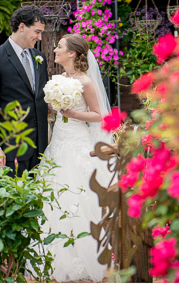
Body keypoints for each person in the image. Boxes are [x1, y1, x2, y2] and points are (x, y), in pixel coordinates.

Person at [39, 34, 115, 282]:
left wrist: (72, 113)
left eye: (59, 47)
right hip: (58, 142)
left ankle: (85, 257)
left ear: (72, 53)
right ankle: (53, 256)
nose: (55, 50)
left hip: (78, 145)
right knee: (54, 196)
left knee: (79, 197)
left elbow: (98, 115)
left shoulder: (86, 82)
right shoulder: (59, 80)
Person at [0, 6, 49, 177]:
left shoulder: (39, 57)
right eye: (37, 32)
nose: (40, 37)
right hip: (11, 150)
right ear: (22, 27)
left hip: (40, 148)